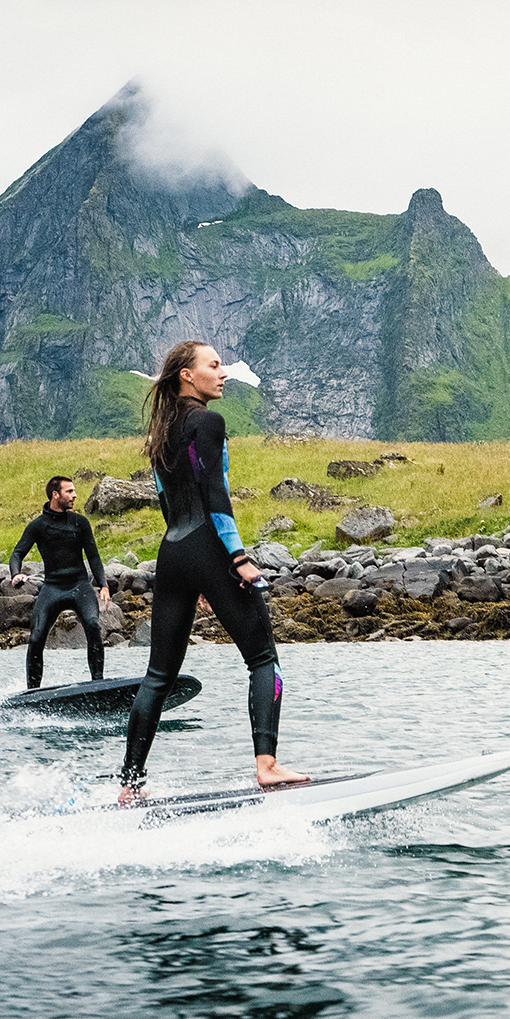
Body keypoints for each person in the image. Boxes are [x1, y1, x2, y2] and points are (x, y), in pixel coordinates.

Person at [120, 341, 307, 799]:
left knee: (158, 676)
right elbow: (215, 494)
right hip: (208, 547)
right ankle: (267, 766)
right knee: (264, 660)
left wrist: (195, 571)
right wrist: (236, 559)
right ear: (188, 375)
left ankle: (129, 785)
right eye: (214, 365)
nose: (223, 374)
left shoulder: (160, 433)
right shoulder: (209, 422)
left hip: (173, 552)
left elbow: (169, 505)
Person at [9, 475, 110, 689]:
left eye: (74, 491)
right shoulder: (38, 526)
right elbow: (17, 554)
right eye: (69, 491)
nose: (74, 495)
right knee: (36, 638)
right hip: (52, 587)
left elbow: (93, 556)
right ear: (56, 495)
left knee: (93, 625)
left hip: (80, 585)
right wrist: (16, 573)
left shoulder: (80, 522)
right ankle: (33, 692)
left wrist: (104, 585)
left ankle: (98, 684)